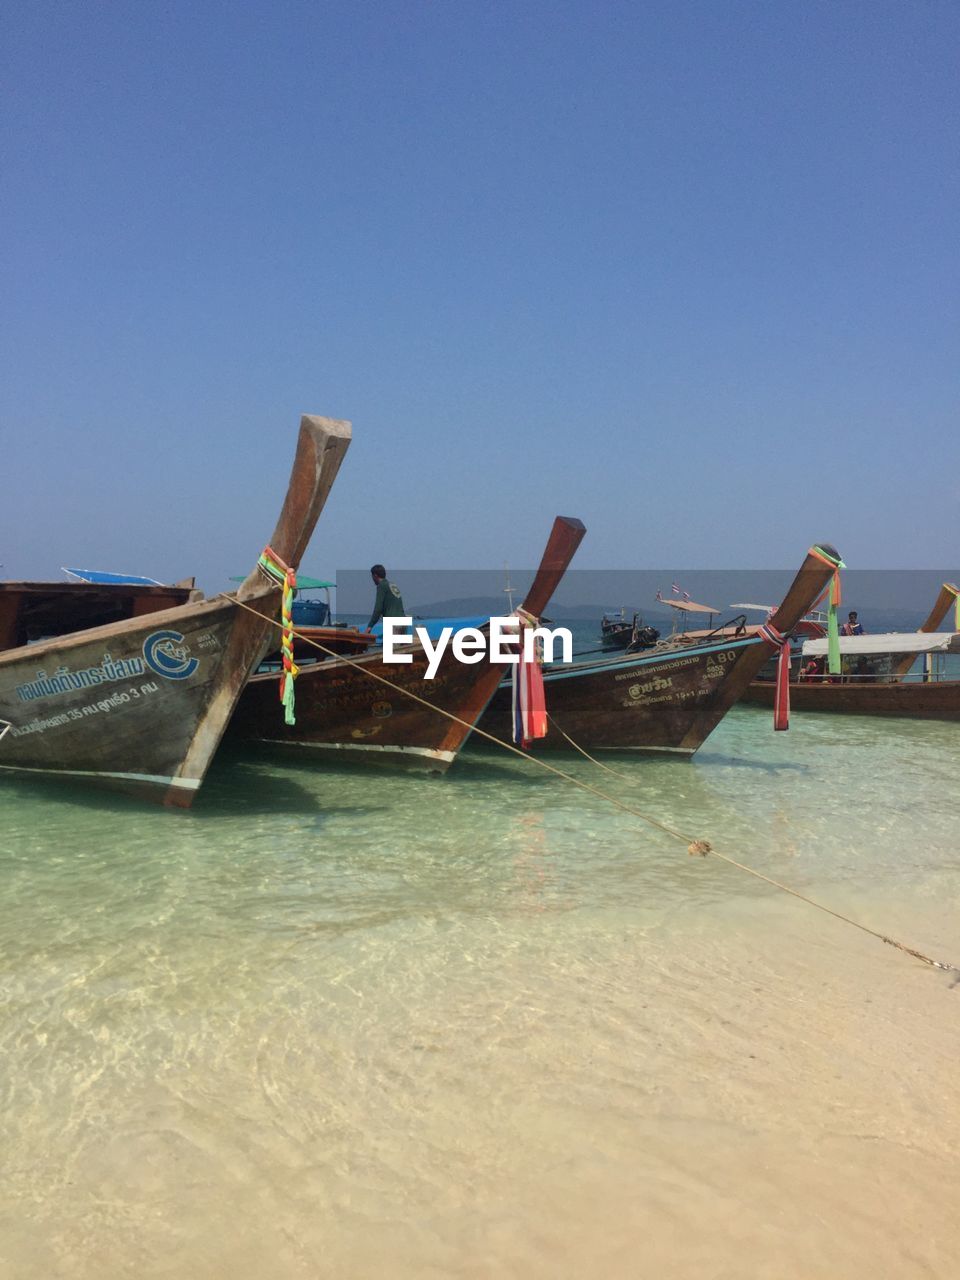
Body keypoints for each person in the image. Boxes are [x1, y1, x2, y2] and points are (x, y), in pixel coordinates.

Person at [367, 564, 405, 631]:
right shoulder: (392, 585)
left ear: (375, 575)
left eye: (372, 576)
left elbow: (378, 609)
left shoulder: (381, 586)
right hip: (402, 622)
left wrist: (370, 626)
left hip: (393, 623)